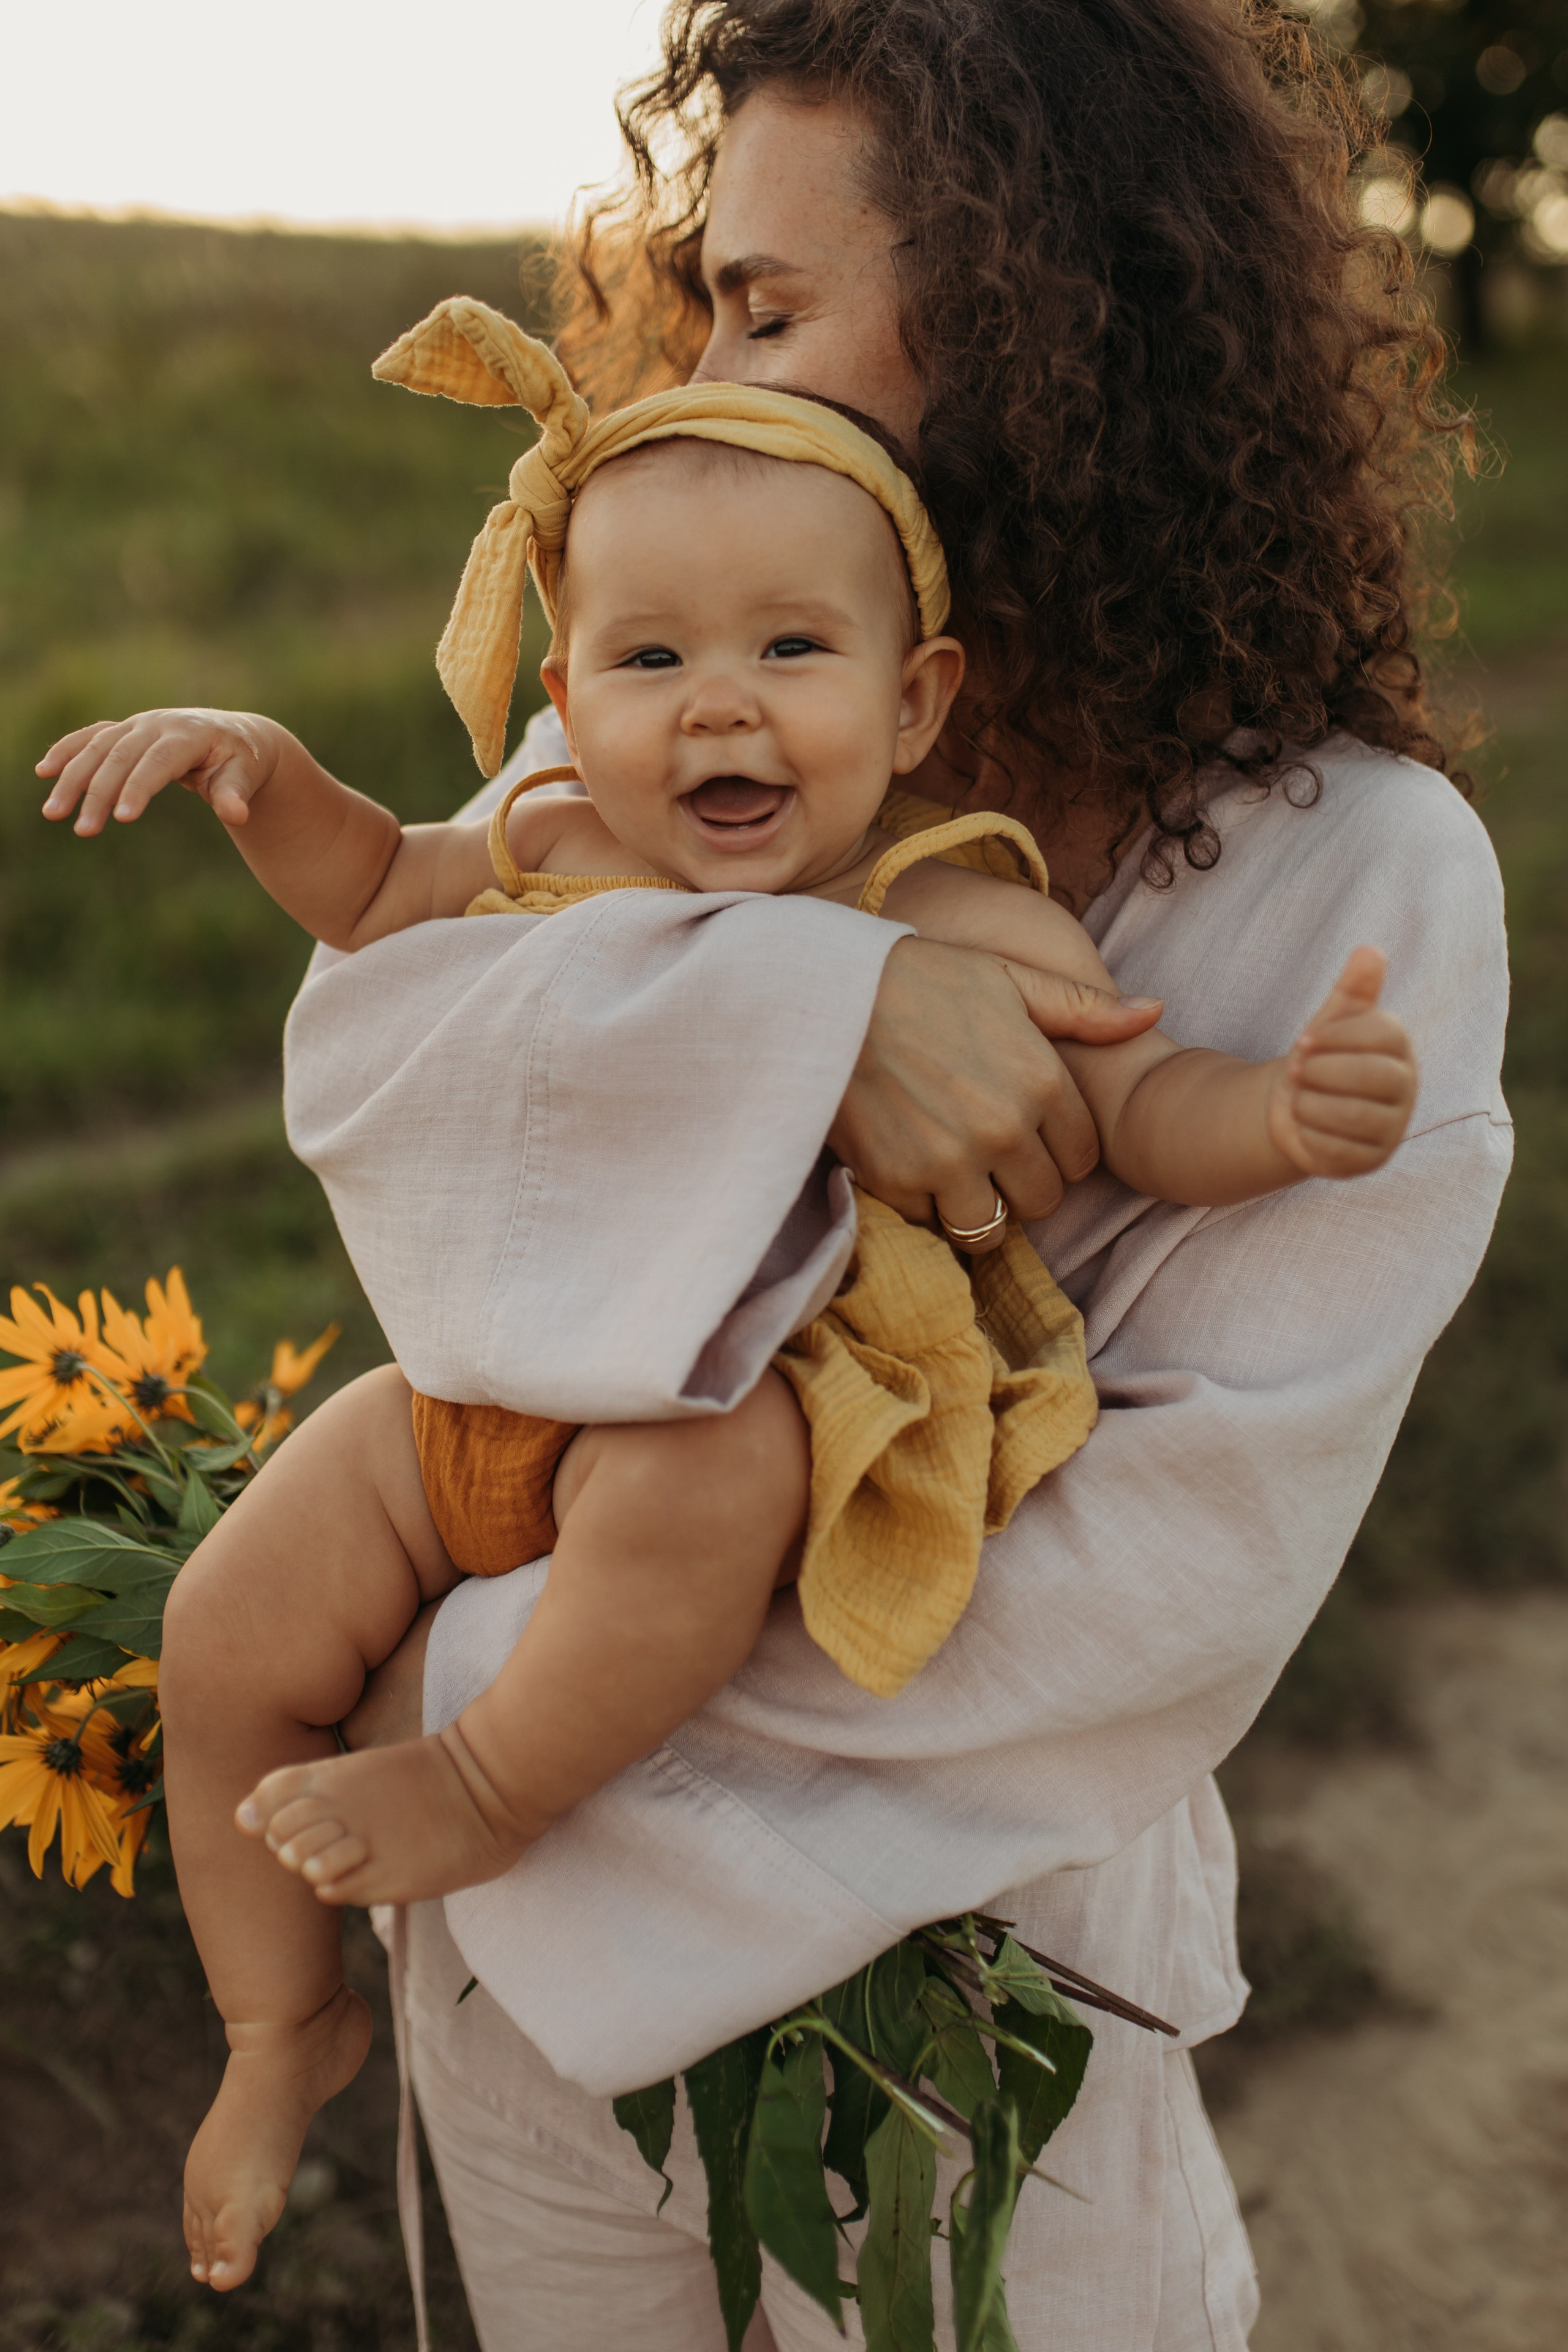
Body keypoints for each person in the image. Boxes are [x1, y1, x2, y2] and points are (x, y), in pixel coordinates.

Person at [39, 314, 1419, 2298]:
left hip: (724, 1409)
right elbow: (374, 896)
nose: (719, 714)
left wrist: (1279, 1114)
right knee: (223, 1629)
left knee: (707, 1493)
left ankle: (485, 1779)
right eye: (651, 659)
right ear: (563, 692)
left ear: (920, 694)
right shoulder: (546, 838)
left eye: (792, 650)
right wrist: (264, 779)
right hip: (472, 1411)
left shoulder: (947, 906)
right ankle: (280, 2027)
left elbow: (1126, 1098)